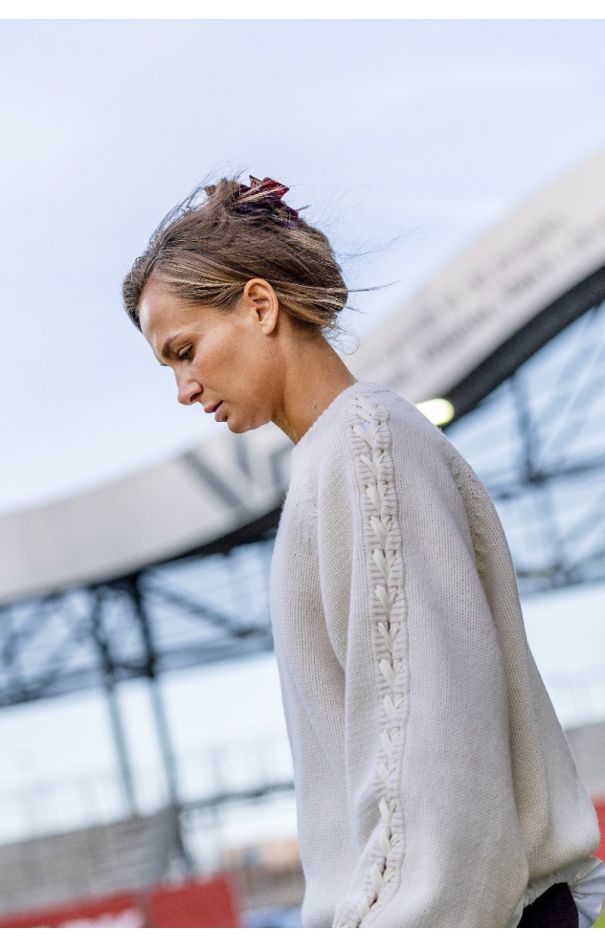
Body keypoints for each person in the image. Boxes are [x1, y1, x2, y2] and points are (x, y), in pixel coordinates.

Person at [122, 173, 605, 928]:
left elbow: (431, 753)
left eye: (185, 350)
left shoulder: (364, 449)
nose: (184, 388)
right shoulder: (341, 455)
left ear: (259, 305)